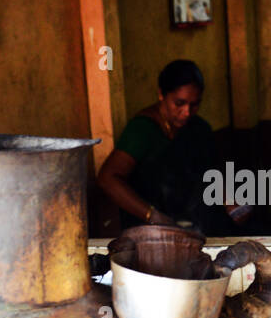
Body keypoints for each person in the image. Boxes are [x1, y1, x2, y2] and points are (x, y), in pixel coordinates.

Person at [97, 59, 250, 233]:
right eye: (179, 103)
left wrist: (229, 200)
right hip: (151, 231)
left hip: (194, 223)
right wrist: (152, 216)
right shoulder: (142, 130)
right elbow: (107, 178)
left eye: (194, 104)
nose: (186, 112)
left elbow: (211, 171)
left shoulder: (199, 128)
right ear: (161, 94)